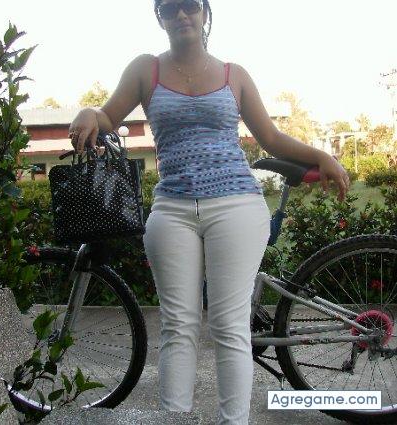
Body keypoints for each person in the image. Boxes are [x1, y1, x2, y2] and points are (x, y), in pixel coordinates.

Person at [68, 1, 350, 423]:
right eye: (170, 8)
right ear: (160, 18)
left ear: (204, 13)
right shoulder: (146, 69)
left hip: (236, 206)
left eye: (190, 6)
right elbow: (107, 115)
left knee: (228, 324)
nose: (181, 15)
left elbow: (271, 138)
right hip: (172, 209)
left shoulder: (234, 74)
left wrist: (321, 155)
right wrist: (88, 112)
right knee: (177, 326)